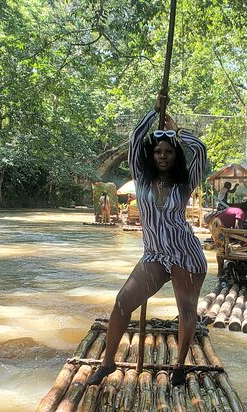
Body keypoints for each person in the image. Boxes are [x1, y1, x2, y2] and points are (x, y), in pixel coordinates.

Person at [87, 94, 207, 387]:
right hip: (154, 255)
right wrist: (152, 113)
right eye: (158, 152)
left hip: (185, 254)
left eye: (168, 151)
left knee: (186, 311)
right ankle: (108, 362)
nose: (163, 156)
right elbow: (135, 140)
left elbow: (201, 151)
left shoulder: (184, 183)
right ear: (151, 156)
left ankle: (179, 366)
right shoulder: (140, 178)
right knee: (122, 303)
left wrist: (177, 130)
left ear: (175, 155)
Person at [209, 202, 247, 277]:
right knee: (221, 248)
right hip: (217, 225)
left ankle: (221, 271)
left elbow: (238, 229)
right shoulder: (240, 213)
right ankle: (220, 273)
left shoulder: (237, 210)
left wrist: (243, 242)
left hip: (216, 223)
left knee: (224, 248)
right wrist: (245, 243)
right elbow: (237, 229)